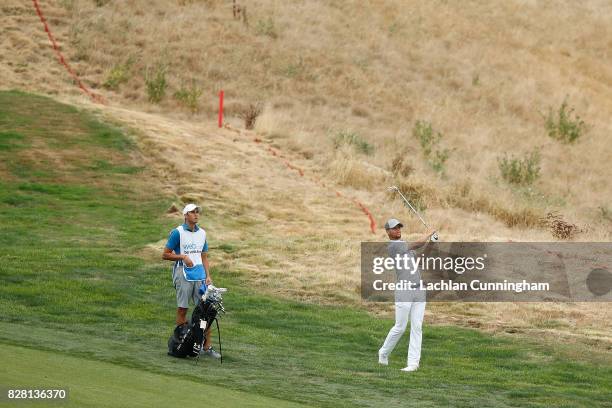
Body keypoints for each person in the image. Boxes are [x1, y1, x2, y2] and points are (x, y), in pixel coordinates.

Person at [162, 203, 220, 358]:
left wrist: (208, 275)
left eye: (197, 212)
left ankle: (206, 347)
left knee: (204, 312)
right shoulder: (177, 233)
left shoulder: (202, 233)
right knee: (183, 309)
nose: (196, 214)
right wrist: (182, 257)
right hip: (183, 274)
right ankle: (182, 342)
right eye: (193, 212)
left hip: (200, 275)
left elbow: (204, 256)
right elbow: (165, 254)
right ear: (185, 215)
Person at [378, 218, 435, 372]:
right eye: (394, 228)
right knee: (400, 327)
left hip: (419, 290)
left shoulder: (406, 248)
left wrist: (432, 242)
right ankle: (383, 352)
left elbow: (421, 261)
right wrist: (428, 233)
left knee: (417, 327)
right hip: (404, 291)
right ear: (388, 232)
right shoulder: (393, 247)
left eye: (399, 227)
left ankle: (413, 364)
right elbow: (417, 243)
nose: (397, 230)